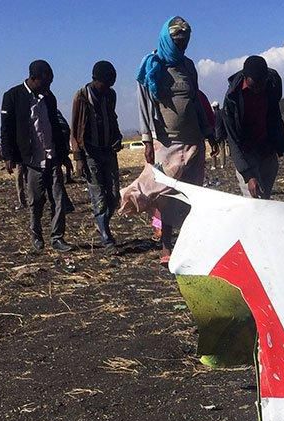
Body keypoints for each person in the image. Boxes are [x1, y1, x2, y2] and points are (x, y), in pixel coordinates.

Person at [121, 16, 217, 263]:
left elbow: (195, 101)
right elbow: (144, 105)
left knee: (189, 195)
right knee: (164, 193)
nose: (182, 46)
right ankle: (165, 247)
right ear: (167, 39)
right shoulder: (152, 65)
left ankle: (185, 245)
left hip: (193, 140)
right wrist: (146, 141)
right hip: (166, 142)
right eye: (177, 41)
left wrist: (208, 133)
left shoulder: (188, 67)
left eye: (185, 41)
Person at [0, 59, 75, 252]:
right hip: (32, 159)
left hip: (53, 156)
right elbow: (6, 129)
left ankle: (57, 237)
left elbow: (56, 127)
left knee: (58, 200)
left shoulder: (49, 98)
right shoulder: (12, 96)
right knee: (35, 202)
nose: (48, 87)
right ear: (33, 79)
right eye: (45, 82)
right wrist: (8, 155)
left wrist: (64, 154)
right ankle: (36, 236)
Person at [222, 55, 284, 199]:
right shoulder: (232, 99)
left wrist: (282, 144)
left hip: (267, 150)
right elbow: (233, 140)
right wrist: (248, 175)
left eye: (262, 84)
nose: (258, 89)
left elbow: (275, 115)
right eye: (254, 85)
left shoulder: (272, 85)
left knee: (265, 198)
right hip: (246, 152)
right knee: (254, 200)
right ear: (245, 78)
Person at [71, 60, 124, 249]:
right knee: (99, 196)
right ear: (96, 80)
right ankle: (106, 237)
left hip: (108, 152)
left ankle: (103, 224)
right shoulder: (81, 96)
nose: (108, 86)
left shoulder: (110, 95)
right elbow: (75, 129)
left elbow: (113, 117)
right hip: (90, 153)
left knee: (113, 195)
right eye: (107, 82)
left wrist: (117, 137)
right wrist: (78, 158)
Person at [210, 101, 227, 170]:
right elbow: (224, 124)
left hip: (213, 135)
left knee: (213, 150)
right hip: (221, 134)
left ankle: (214, 165)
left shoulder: (211, 114)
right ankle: (222, 164)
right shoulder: (222, 114)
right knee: (222, 149)